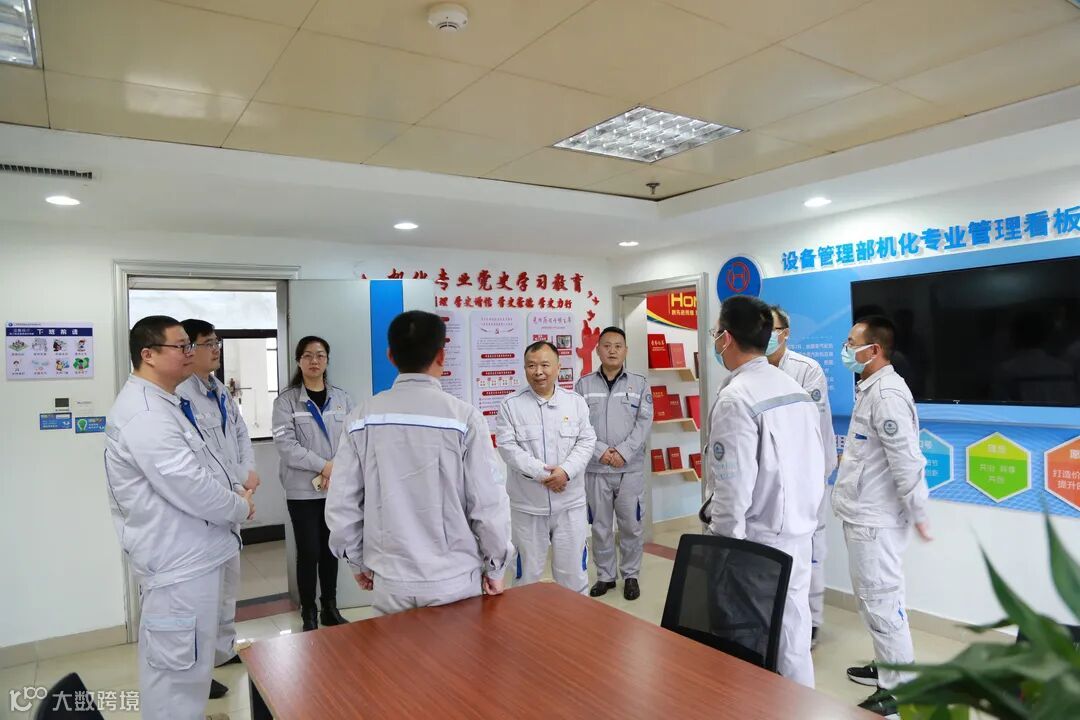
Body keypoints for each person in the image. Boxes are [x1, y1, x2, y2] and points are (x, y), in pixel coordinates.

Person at [104, 316, 254, 720]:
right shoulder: (145, 413)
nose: (191, 353)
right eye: (182, 346)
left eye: (192, 345)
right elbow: (191, 486)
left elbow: (208, 463)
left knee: (192, 670)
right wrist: (239, 506)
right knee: (176, 680)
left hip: (196, 556)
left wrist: (235, 490)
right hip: (178, 566)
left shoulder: (167, 403)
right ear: (148, 355)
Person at [325, 311, 514, 615]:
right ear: (441, 355)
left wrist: (356, 560)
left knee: (395, 648)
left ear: (390, 356)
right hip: (454, 580)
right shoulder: (464, 418)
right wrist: (495, 566)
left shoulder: (361, 418)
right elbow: (488, 503)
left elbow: (342, 503)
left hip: (390, 580)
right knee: (455, 649)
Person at [703, 295, 824, 689]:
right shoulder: (792, 388)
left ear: (726, 338)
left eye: (716, 332)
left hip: (756, 541)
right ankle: (801, 705)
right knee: (792, 630)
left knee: (750, 639)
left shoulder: (736, 397)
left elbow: (732, 488)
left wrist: (722, 548)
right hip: (798, 532)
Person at [833, 315, 932, 718]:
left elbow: (907, 461)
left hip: (875, 520)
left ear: (873, 350)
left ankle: (897, 690)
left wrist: (920, 513)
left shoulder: (887, 394)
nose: (845, 349)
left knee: (881, 602)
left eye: (851, 342)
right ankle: (888, 665)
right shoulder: (871, 388)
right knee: (875, 599)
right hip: (864, 514)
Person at [175, 319, 259, 696]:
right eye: (209, 343)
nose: (216, 349)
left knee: (227, 586)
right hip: (206, 511)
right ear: (188, 349)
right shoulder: (180, 395)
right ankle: (198, 670)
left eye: (217, 342)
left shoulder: (218, 388)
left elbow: (239, 435)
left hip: (232, 501)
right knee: (202, 598)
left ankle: (223, 651)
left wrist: (246, 477)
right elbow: (198, 461)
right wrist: (237, 490)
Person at [496, 341, 596, 594]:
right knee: (526, 576)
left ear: (558, 367)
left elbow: (587, 441)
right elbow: (508, 448)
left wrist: (565, 472)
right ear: (524, 369)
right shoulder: (511, 405)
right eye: (531, 366)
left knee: (573, 575)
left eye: (544, 365)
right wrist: (545, 475)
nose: (538, 372)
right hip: (528, 507)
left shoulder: (575, 402)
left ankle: (575, 619)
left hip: (570, 506)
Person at [271, 336, 354, 631]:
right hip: (302, 490)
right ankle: (308, 611)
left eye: (320, 355)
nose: (314, 361)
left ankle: (330, 607)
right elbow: (286, 446)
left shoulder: (343, 399)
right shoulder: (285, 401)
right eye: (307, 355)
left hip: (335, 488)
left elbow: (352, 439)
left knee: (332, 549)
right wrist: (324, 466)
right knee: (309, 551)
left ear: (327, 360)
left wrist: (336, 469)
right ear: (299, 361)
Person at [766, 305, 837, 646]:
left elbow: (809, 425)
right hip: (770, 475)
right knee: (772, 545)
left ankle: (811, 620)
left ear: (785, 332)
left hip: (807, 472)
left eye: (772, 327)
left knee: (810, 546)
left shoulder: (806, 370)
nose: (765, 334)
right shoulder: (750, 369)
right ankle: (775, 617)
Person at [574, 326, 653, 600]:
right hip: (596, 469)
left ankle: (631, 575)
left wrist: (622, 452)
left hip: (629, 469)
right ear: (598, 350)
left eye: (618, 346)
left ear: (625, 350)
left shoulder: (640, 384)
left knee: (631, 525)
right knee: (600, 526)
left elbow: (644, 424)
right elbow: (579, 426)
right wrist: (601, 452)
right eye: (606, 346)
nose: (612, 351)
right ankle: (605, 576)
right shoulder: (583, 385)